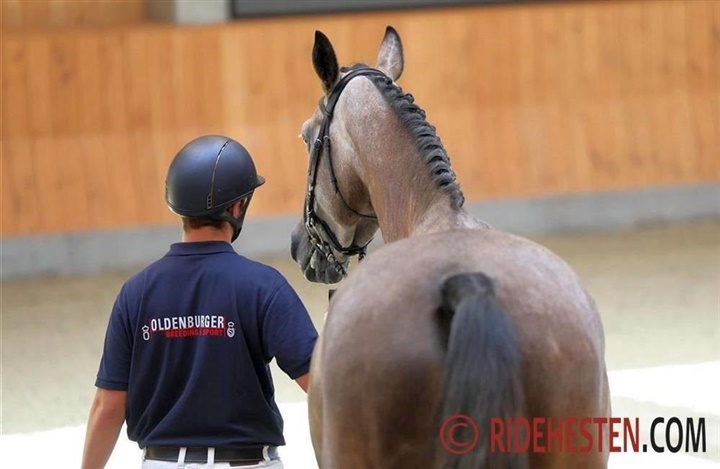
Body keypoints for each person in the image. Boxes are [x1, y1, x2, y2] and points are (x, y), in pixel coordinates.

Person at [82, 135, 319, 469]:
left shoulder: (135, 293)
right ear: (237, 207)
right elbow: (320, 385)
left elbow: (107, 408)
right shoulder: (264, 286)